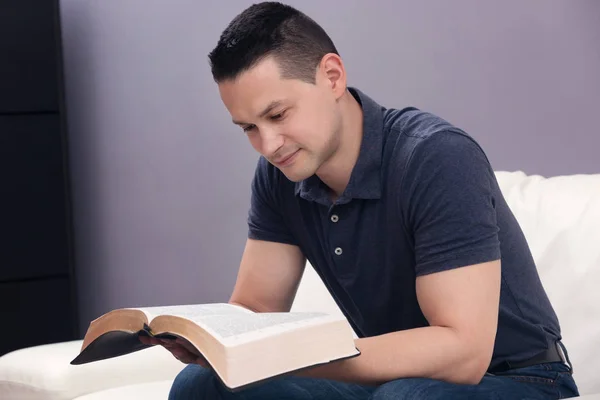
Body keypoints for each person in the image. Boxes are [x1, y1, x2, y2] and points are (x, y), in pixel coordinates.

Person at [141, 2, 580, 399]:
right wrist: (212, 342)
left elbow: (462, 354)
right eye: (248, 128)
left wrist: (292, 357)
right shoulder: (279, 176)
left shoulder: (436, 156)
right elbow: (255, 311)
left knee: (406, 398)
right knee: (203, 385)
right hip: (390, 382)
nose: (268, 145)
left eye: (277, 115)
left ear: (332, 76)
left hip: (519, 378)